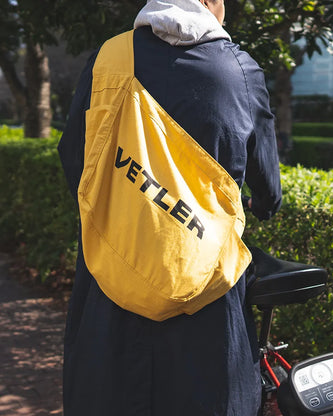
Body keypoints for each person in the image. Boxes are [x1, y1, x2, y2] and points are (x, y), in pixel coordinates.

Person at [58, 0, 282, 415]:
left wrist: (127, 210)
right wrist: (262, 205)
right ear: (212, 4)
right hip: (208, 299)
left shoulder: (109, 58)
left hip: (111, 286)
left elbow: (74, 156)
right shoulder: (240, 70)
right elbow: (267, 183)